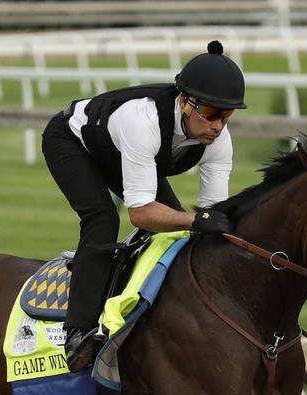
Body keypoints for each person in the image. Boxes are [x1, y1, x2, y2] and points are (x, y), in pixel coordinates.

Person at [41, 40, 246, 371]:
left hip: (120, 151)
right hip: (72, 143)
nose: (218, 125)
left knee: (176, 232)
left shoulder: (219, 141)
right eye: (210, 113)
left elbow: (212, 213)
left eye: (227, 115)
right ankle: (77, 333)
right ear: (184, 102)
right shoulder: (143, 121)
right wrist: (196, 220)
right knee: (103, 219)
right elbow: (141, 214)